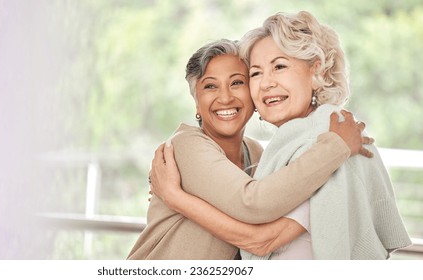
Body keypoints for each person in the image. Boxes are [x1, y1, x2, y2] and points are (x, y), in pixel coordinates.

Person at [150, 11, 411, 259]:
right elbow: (256, 214)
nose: (266, 83)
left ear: (316, 70)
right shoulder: (188, 146)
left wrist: (177, 198)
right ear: (195, 101)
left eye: (279, 67)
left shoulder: (305, 144)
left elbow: (260, 237)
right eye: (256, 73)